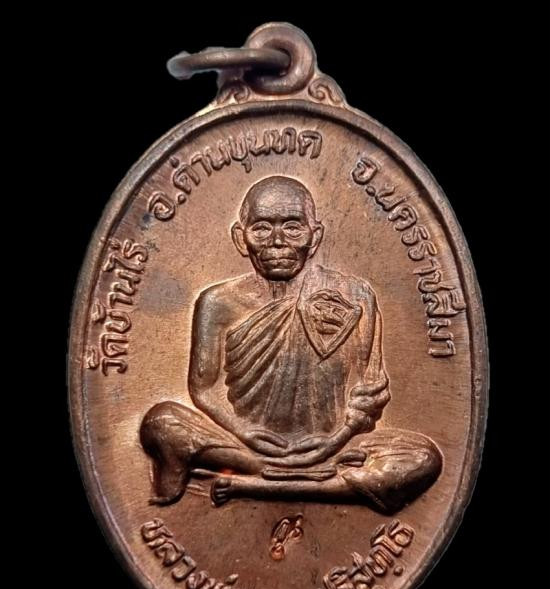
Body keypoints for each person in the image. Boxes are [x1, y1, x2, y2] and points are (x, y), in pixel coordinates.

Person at [140, 175, 442, 513]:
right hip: (245, 444)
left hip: (336, 447)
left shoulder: (354, 295)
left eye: (293, 228)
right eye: (262, 229)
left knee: (422, 457)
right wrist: (246, 433)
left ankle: (259, 485)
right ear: (241, 238)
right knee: (161, 423)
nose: (277, 242)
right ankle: (306, 479)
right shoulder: (217, 302)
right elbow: (203, 388)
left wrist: (333, 440)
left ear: (315, 237)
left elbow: (369, 393)